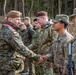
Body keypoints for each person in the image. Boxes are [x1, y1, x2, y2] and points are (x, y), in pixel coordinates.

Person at [0, 10, 43, 75]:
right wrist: (36, 57)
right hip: (8, 65)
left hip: (4, 63)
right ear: (10, 19)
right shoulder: (11, 32)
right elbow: (21, 48)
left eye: (20, 19)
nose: (19, 22)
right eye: (17, 19)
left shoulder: (4, 29)